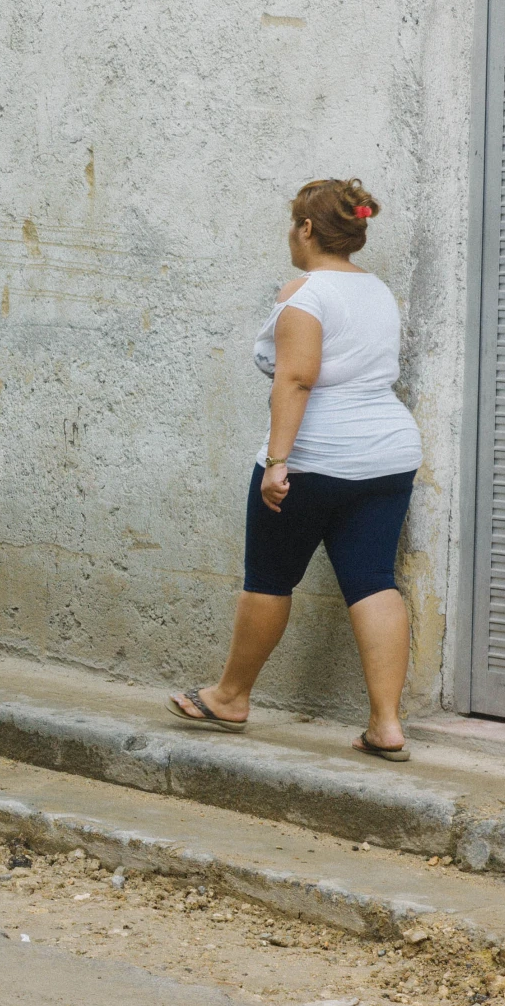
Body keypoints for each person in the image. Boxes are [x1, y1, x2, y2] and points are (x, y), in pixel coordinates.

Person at [170, 178, 424, 761]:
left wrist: (279, 462)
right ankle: (386, 725)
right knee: (373, 581)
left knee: (268, 578)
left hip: (317, 459)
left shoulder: (306, 294)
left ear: (307, 229)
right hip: (387, 454)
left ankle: (230, 697)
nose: (290, 233)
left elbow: (296, 378)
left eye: (293, 224)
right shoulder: (377, 290)